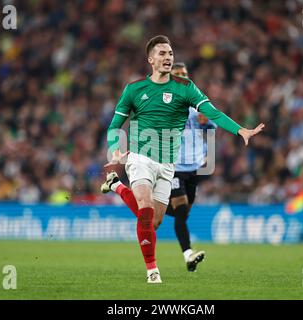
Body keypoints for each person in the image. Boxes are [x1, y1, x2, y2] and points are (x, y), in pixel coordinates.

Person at [101, 35, 264, 284]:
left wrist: (240, 130)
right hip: (140, 158)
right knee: (144, 207)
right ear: (151, 60)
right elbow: (115, 125)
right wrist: (115, 149)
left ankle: (116, 186)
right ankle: (152, 271)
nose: (168, 57)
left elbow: (212, 112)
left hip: (168, 165)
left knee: (153, 223)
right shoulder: (133, 90)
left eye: (170, 53)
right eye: (162, 54)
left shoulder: (186, 88)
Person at [164, 62, 215, 272]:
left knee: (181, 214)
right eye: (177, 74)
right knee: (182, 209)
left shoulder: (197, 103)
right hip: (172, 165)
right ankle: (188, 254)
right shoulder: (163, 103)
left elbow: (212, 126)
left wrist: (206, 122)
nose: (181, 77)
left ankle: (146, 204)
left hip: (193, 168)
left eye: (184, 74)